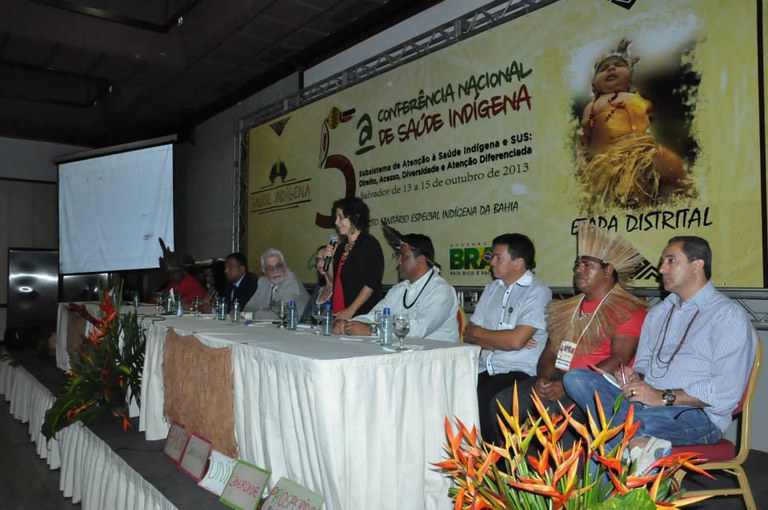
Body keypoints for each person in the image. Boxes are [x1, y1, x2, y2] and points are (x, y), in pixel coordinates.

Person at [563, 236, 757, 475]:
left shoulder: (727, 316)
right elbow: (643, 362)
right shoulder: (659, 312)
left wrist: (662, 397)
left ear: (697, 265)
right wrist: (636, 376)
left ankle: (634, 449)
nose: (661, 268)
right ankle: (640, 446)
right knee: (576, 378)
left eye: (671, 261)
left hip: (696, 415)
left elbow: (726, 393)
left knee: (612, 431)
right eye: (663, 261)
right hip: (645, 403)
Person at [490, 222, 647, 444]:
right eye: (577, 264)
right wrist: (544, 379)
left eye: (586, 264)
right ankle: (519, 472)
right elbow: (549, 353)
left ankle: (563, 478)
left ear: (608, 269)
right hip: (557, 378)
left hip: (596, 389)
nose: (578, 270)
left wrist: (567, 385)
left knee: (552, 414)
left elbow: (619, 359)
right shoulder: (566, 308)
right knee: (504, 403)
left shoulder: (627, 310)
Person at [578, 38, 692, 211]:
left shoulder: (636, 98)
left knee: (672, 169)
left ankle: (674, 204)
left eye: (618, 65)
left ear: (630, 78)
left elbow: (648, 119)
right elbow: (586, 134)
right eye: (603, 68)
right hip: (609, 158)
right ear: (594, 84)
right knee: (614, 191)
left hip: (642, 150)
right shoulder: (593, 106)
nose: (611, 68)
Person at [462, 233, 551, 442]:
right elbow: (468, 333)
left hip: (517, 370)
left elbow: (515, 341)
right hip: (484, 367)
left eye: (498, 257)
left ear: (518, 263)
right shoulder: (492, 289)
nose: (491, 262)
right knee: (455, 391)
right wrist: (502, 341)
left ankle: (497, 468)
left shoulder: (537, 292)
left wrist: (491, 338)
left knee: (486, 399)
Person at [335, 225, 459, 342]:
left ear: (420, 260)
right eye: (397, 256)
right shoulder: (399, 290)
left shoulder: (442, 291)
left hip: (437, 359)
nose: (398, 261)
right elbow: (374, 315)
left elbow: (419, 329)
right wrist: (348, 324)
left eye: (403, 256)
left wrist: (371, 330)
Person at [325, 197, 384, 319]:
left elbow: (371, 283)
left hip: (360, 315)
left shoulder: (369, 244)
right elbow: (335, 280)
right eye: (336, 217)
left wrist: (350, 310)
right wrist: (329, 261)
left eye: (341, 217)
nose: (336, 222)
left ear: (354, 218)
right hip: (338, 311)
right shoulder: (342, 246)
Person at [243, 248, 310, 317]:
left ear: (284, 266)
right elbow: (248, 308)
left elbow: (280, 315)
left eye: (278, 266)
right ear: (264, 271)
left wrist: (256, 314)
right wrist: (265, 312)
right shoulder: (263, 282)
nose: (275, 271)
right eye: (269, 268)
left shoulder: (292, 283)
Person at [300, 245, 334, 323]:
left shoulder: (341, 289)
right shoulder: (319, 288)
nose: (320, 263)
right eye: (318, 259)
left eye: (325, 259)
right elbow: (305, 317)